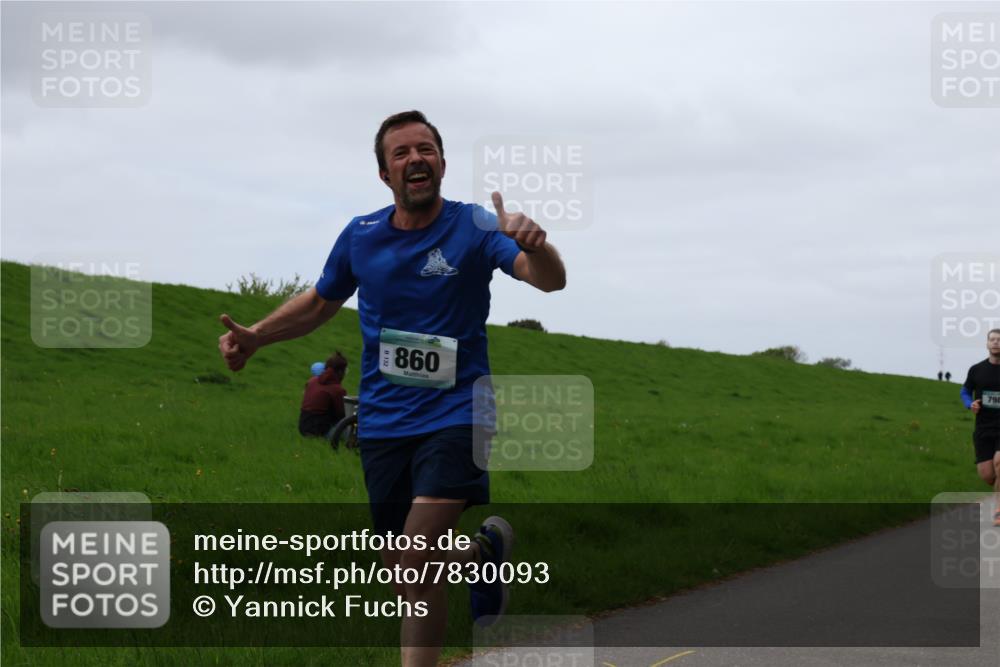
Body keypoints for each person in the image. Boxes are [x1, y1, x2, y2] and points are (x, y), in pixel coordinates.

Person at [217, 110, 566, 666]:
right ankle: (480, 558)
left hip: (457, 414)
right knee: (408, 576)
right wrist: (257, 337)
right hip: (382, 421)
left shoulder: (475, 226)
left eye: (425, 149)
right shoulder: (361, 236)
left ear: (443, 163)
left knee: (412, 558)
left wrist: (539, 245)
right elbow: (319, 303)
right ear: (385, 175)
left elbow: (546, 278)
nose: (415, 160)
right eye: (400, 153)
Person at [960, 329, 1000, 526]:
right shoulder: (976, 370)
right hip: (984, 428)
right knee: (988, 475)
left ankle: (999, 511)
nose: (996, 343)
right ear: (987, 344)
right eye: (992, 340)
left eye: (999, 340)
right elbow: (965, 391)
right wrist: (970, 404)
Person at [298, 352, 348, 439]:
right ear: (340, 371)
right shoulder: (338, 390)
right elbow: (342, 415)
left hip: (303, 428)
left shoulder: (312, 380)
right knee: (354, 430)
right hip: (321, 432)